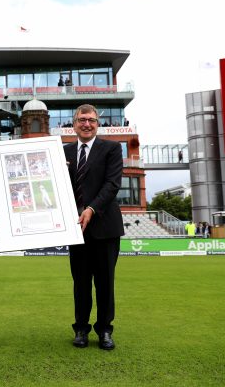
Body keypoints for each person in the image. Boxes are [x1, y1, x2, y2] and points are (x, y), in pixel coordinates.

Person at [63, 103, 124, 351]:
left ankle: (105, 330)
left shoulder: (111, 148)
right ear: (74, 124)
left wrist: (91, 209)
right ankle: (81, 329)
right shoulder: (63, 151)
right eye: (81, 120)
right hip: (76, 229)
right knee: (80, 283)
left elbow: (112, 185)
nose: (86, 124)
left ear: (98, 123)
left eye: (91, 120)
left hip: (105, 228)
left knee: (105, 282)